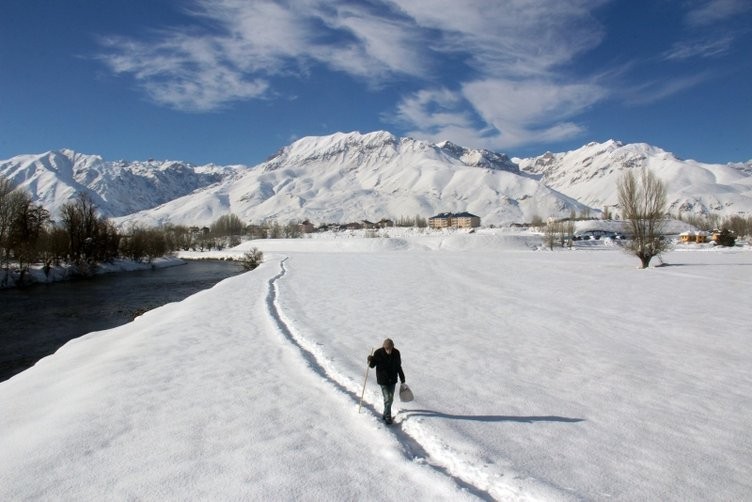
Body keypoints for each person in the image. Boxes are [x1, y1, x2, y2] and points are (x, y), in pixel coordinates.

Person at [367, 338, 405, 424]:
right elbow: (372, 365)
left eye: (390, 348)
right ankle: (388, 416)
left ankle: (385, 414)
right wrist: (370, 359)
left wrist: (402, 378)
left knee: (389, 399)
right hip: (383, 379)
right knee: (388, 398)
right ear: (384, 347)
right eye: (387, 348)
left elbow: (398, 366)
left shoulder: (396, 353)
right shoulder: (378, 353)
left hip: (392, 379)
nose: (389, 350)